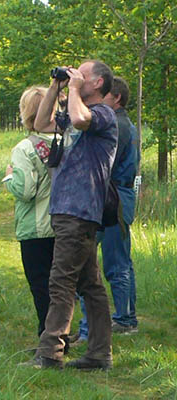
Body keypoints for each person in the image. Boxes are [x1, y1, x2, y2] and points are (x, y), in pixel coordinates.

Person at [20, 60, 118, 371]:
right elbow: (40, 122)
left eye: (83, 74)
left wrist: (73, 89)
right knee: (90, 285)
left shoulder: (103, 114)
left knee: (60, 282)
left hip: (79, 208)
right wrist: (55, 87)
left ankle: (50, 354)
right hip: (68, 209)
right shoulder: (78, 111)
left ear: (99, 83)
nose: (76, 75)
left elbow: (79, 117)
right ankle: (99, 354)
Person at [75, 77, 140, 342]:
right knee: (115, 259)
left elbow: (104, 163)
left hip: (114, 198)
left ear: (117, 98)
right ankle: (121, 318)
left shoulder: (119, 125)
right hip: (116, 195)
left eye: (105, 95)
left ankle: (123, 319)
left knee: (116, 262)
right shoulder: (124, 124)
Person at [2, 86, 58, 338]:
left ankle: (48, 339)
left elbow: (25, 190)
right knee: (62, 287)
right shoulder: (65, 140)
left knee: (41, 286)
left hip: (36, 228)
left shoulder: (25, 148)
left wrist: (8, 178)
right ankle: (63, 334)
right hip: (64, 223)